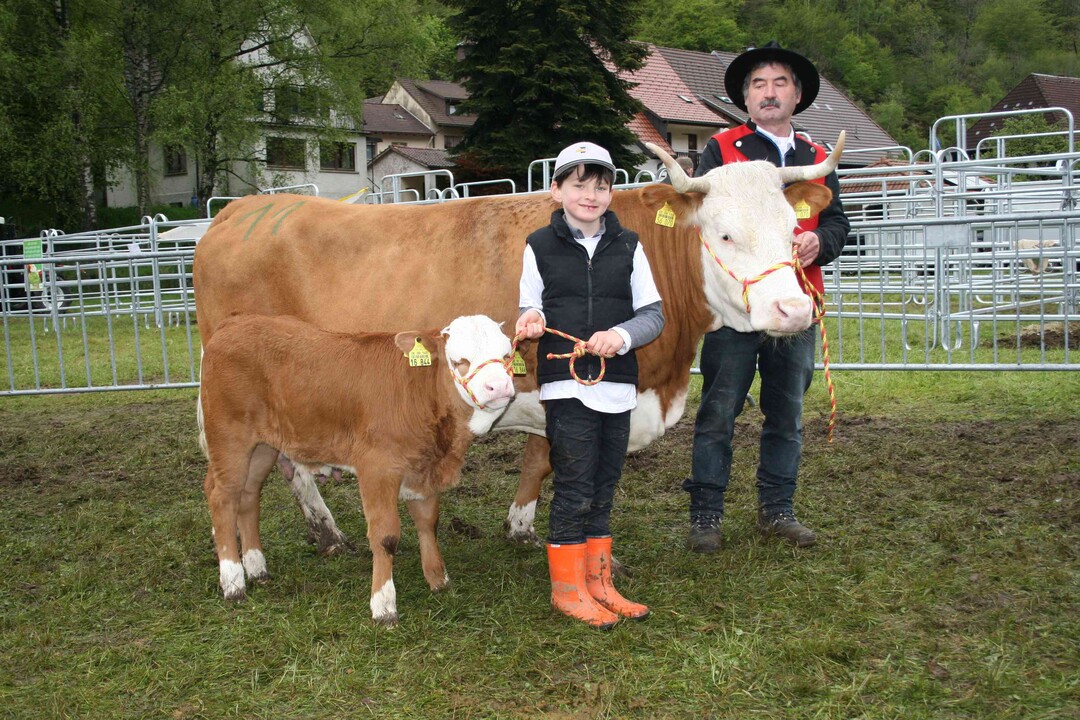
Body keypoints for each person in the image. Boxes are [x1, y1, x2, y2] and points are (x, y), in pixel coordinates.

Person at [684, 41, 851, 553]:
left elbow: (839, 223)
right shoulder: (722, 149)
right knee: (718, 411)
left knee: (787, 414)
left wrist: (817, 241)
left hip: (796, 304)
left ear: (798, 96)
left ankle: (777, 510)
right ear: (745, 98)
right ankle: (705, 516)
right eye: (758, 85)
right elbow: (704, 225)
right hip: (736, 310)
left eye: (780, 84)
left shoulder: (818, 158)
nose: (769, 93)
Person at [516, 141, 665, 628]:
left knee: (604, 484)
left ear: (611, 193)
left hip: (616, 383)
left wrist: (621, 336)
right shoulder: (538, 244)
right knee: (576, 484)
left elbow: (653, 315)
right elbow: (528, 306)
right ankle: (568, 588)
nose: (591, 195)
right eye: (579, 185)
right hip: (565, 384)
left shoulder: (630, 245)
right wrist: (533, 321)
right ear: (557, 189)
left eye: (601, 186)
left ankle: (599, 582)